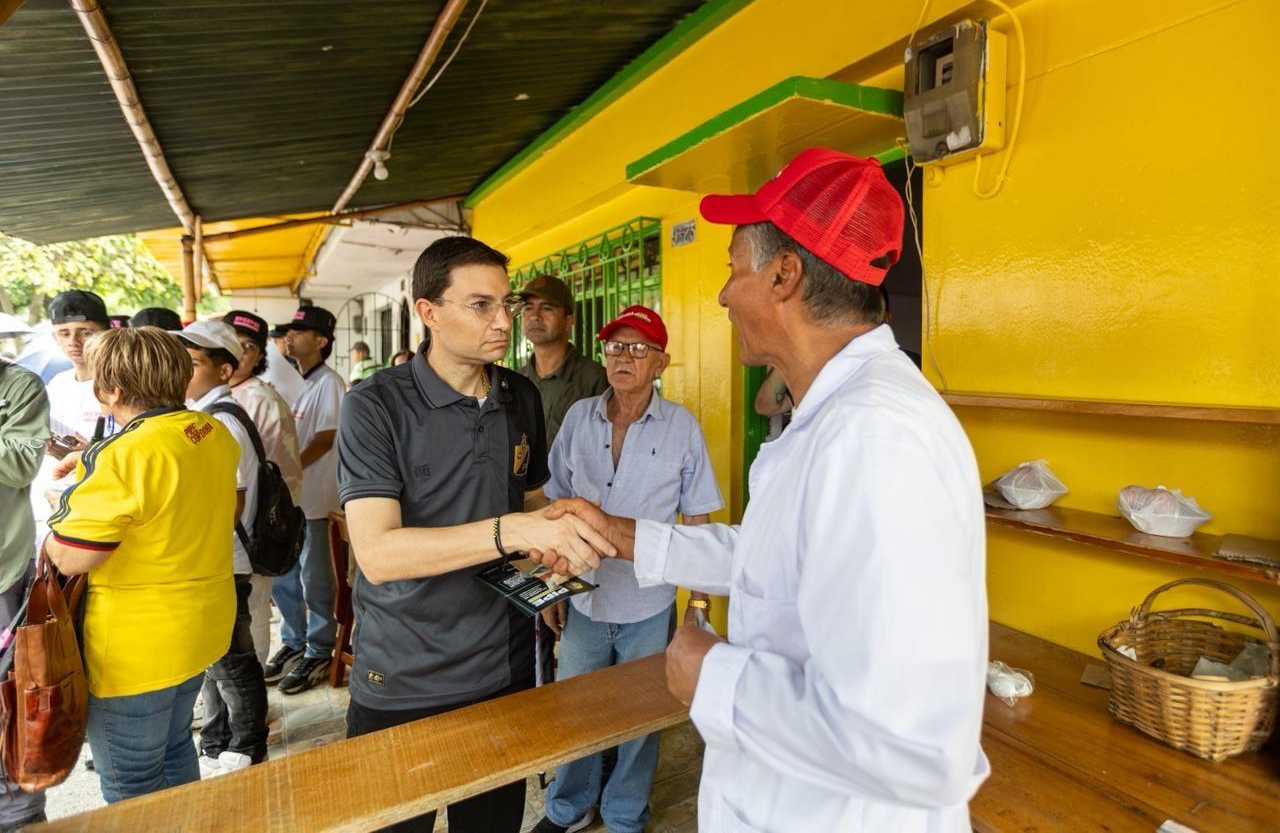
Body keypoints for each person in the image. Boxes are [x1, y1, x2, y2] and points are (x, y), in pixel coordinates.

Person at [546, 148, 989, 831]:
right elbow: (774, 559)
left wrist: (713, 676)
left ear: (784, 275)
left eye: (731, 269)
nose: (723, 294)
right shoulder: (835, 421)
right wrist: (621, 534)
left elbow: (916, 747)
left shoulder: (876, 440)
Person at [337, 236, 614, 833]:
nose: (503, 321)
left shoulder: (519, 395)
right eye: (480, 305)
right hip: (406, 670)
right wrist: (509, 528)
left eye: (506, 303)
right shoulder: (374, 406)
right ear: (428, 311)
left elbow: (531, 498)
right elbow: (379, 554)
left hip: (502, 665)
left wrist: (555, 540)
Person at [535, 306, 722, 833]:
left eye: (639, 349)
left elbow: (698, 522)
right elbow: (555, 504)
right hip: (585, 596)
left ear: (661, 362)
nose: (624, 358)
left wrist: (698, 603)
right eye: (616, 347)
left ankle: (624, 814)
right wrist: (551, 590)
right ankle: (568, 807)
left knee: (641, 719)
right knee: (575, 707)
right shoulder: (577, 418)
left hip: (649, 603)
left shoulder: (683, 427)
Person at [44, 327, 238, 803]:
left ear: (111, 391)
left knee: (131, 781)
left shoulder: (122, 454)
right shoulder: (210, 432)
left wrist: (60, 508)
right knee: (174, 748)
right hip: (201, 624)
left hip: (138, 645)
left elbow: (73, 555)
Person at [177, 321, 270, 775]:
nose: (183, 372)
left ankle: (249, 744)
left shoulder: (215, 423)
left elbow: (229, 502)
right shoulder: (209, 415)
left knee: (232, 658)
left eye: (194, 364)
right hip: (220, 555)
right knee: (215, 658)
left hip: (224, 556)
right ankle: (217, 740)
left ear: (225, 370)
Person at [268, 305, 343, 694]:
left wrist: (290, 468)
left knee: (315, 578)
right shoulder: (290, 381)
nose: (290, 338)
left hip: (315, 498)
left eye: (299, 332)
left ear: (321, 341)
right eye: (288, 332)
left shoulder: (328, 382)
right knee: (285, 578)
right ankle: (293, 642)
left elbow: (325, 437)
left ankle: (319, 648)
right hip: (290, 498)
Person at [223, 309, 304, 664]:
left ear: (258, 355)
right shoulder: (210, 397)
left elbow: (272, 476)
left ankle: (252, 708)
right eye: (233, 344)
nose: (240, 354)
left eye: (248, 347)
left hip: (252, 531)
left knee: (252, 612)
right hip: (227, 532)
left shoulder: (261, 400)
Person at [0, 358, 49, 828]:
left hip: (2, 570)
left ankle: (19, 813)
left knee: (11, 701)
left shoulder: (19, 386)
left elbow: (17, 465)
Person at [30, 291, 115, 550]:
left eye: (85, 332)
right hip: (49, 512)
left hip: (96, 520)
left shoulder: (120, 387)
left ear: (105, 331)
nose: (74, 342)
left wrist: (87, 454)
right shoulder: (56, 385)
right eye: (64, 333)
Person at [518, 275, 608, 445]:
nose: (535, 316)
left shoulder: (593, 379)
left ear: (568, 321)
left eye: (547, 308)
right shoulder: (518, 380)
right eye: (528, 308)